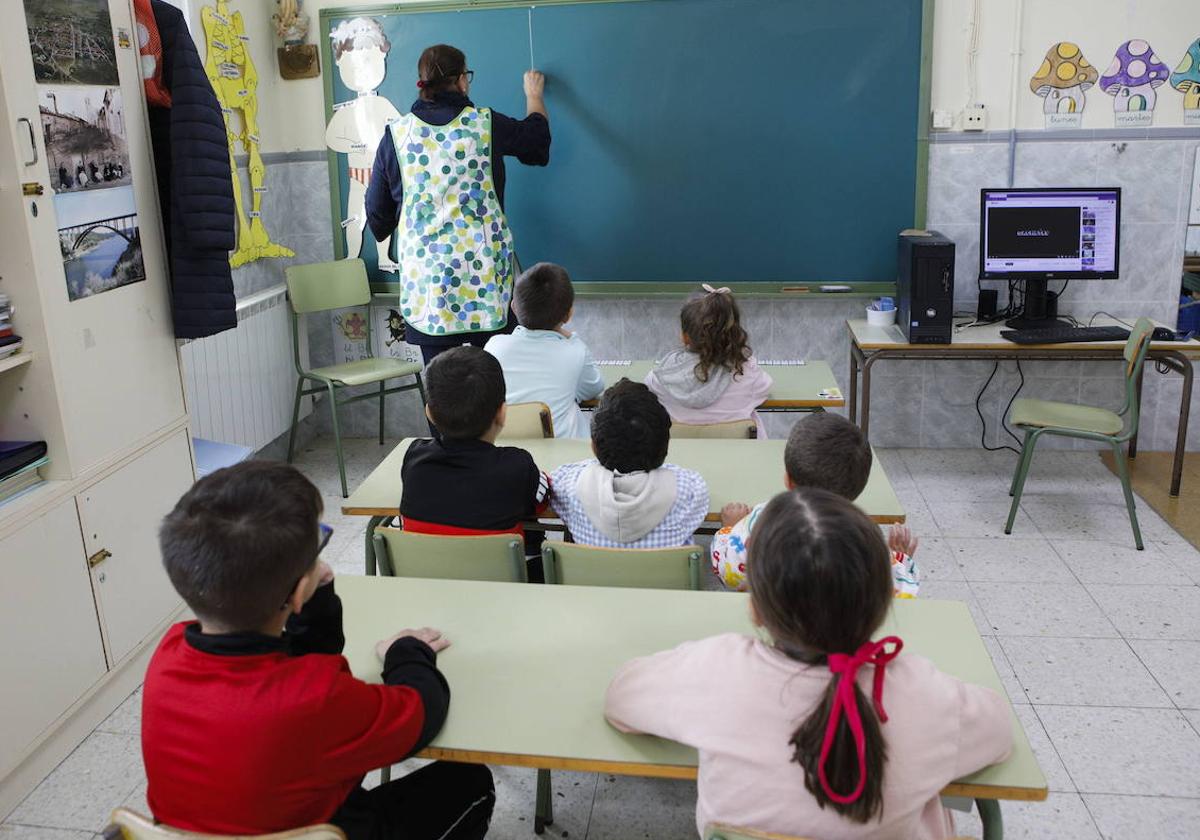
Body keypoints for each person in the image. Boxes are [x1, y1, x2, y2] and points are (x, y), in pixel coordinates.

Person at [605, 488, 1012, 839]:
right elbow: (998, 733)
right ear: (883, 603)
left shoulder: (714, 668)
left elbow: (621, 698)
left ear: (756, 609)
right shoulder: (923, 693)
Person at [142, 461, 494, 840]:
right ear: (296, 594)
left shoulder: (168, 654)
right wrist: (405, 651)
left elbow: (298, 663)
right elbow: (423, 713)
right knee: (470, 780)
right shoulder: (318, 699)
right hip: (330, 828)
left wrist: (314, 596)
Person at [366, 43, 551, 364]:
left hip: (429, 293)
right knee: (495, 385)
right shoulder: (485, 124)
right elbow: (536, 144)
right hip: (485, 287)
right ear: (462, 80)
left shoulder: (397, 136)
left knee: (444, 392)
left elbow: (378, 217)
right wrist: (534, 96)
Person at [711, 412, 919, 595]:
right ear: (859, 488)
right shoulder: (865, 540)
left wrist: (729, 530)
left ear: (788, 480)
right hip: (841, 638)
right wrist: (899, 560)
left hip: (774, 631)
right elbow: (901, 593)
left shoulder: (760, 522)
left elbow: (729, 573)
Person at [401, 346, 551, 578]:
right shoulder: (516, 467)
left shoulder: (414, 459)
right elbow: (542, 500)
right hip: (502, 593)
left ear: (429, 413)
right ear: (502, 413)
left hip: (429, 591)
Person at [550, 379, 709, 548]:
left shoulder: (568, 485)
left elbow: (550, 484)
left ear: (593, 446)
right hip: (665, 575)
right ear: (665, 444)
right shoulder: (690, 490)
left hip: (593, 574)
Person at [485, 262, 604, 439]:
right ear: (569, 314)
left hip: (507, 449)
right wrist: (571, 337)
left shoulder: (494, 347)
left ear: (514, 307)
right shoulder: (574, 350)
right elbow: (594, 389)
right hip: (564, 454)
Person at [645, 285, 773, 436]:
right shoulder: (747, 373)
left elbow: (647, 387)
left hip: (681, 457)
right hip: (738, 457)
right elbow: (766, 387)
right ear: (734, 333)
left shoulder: (661, 379)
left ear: (685, 336)